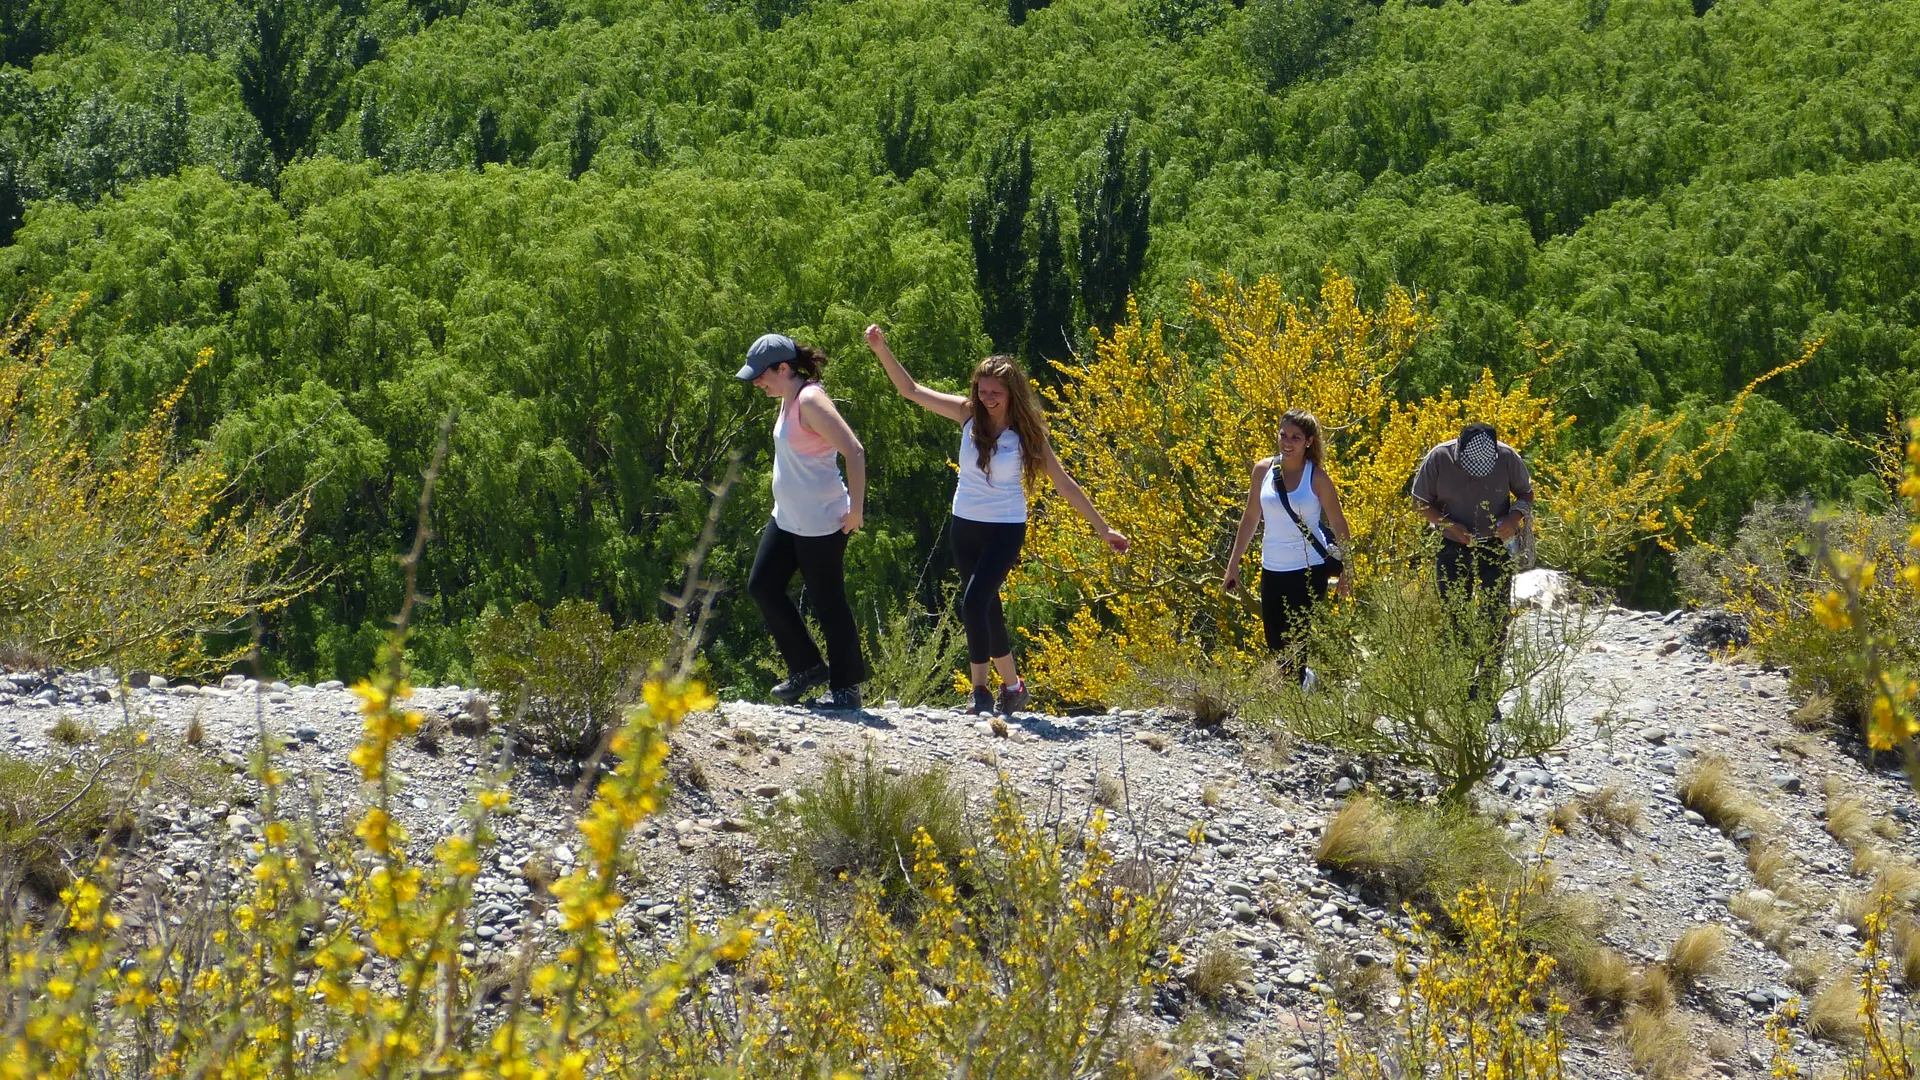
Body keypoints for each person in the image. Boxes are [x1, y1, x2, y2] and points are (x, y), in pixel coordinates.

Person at [864, 325, 1128, 716]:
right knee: (988, 608)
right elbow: (912, 391)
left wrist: (1103, 528)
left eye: (996, 393)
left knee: (973, 603)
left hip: (1004, 528)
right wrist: (880, 348)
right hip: (964, 524)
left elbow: (1065, 484)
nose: (987, 398)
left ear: (1012, 394)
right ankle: (1014, 687)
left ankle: (980, 692)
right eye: (982, 390)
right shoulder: (966, 414)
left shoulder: (1027, 435)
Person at [738, 333, 869, 710]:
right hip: (787, 519)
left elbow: (855, 450)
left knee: (829, 604)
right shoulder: (786, 398)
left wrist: (856, 509)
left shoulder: (810, 400)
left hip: (822, 523)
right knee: (763, 586)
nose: (757, 383)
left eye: (761, 375)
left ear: (784, 368)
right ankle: (808, 667)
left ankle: (846, 688)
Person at [1223, 410, 1352, 681]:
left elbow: (1339, 523)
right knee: (1275, 640)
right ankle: (1305, 683)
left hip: (1308, 570)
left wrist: (1347, 570)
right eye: (1283, 435)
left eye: (1296, 437)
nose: (1287, 442)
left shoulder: (1316, 478)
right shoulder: (1263, 470)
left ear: (1308, 441)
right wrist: (1233, 564)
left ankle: (1297, 699)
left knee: (1296, 640)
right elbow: (1250, 517)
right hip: (1272, 568)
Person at [1409, 421, 1533, 699]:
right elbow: (1419, 502)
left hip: (1495, 546)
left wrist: (1514, 518)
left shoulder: (1507, 457)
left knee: (1494, 618)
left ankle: (1486, 693)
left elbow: (1526, 493)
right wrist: (1448, 525)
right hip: (1454, 545)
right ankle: (1458, 689)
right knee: (1456, 617)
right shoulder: (1440, 457)